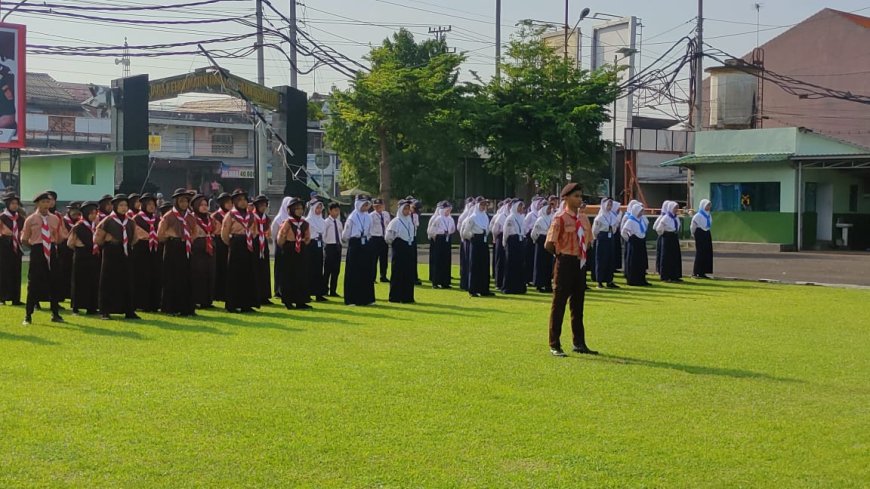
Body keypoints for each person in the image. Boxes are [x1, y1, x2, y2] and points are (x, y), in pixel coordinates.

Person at [545, 183, 597, 357]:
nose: (579, 199)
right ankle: (555, 344)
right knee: (559, 304)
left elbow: (588, 240)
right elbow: (549, 244)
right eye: (576, 196)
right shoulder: (560, 218)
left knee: (578, 305)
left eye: (580, 196)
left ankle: (579, 343)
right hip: (565, 261)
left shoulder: (583, 219)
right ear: (566, 198)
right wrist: (561, 256)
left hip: (579, 262)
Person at [94, 194, 139, 321]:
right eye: (121, 205)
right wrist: (109, 242)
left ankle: (129, 310)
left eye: (125, 205)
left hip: (126, 251)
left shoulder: (130, 221)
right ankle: (105, 311)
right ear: (115, 206)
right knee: (108, 280)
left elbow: (135, 238)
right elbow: (98, 239)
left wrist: (126, 244)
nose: (124, 208)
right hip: (111, 251)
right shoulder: (107, 221)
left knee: (127, 280)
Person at [21, 191, 64, 325]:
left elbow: (59, 236)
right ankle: (28, 315)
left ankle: (55, 313)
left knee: (54, 282)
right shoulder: (31, 219)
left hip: (51, 249)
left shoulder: (55, 218)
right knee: (33, 283)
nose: (46, 204)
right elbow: (24, 238)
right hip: (38, 250)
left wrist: (52, 244)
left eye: (48, 202)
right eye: (43, 202)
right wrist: (36, 247)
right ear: (37, 204)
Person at [157, 188, 196, 317]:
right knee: (171, 277)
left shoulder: (190, 216)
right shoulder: (169, 216)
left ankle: (186, 308)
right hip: (172, 247)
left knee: (185, 277)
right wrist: (171, 237)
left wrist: (188, 239)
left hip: (185, 247)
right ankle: (170, 307)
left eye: (186, 201)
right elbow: (160, 234)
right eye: (181, 201)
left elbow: (195, 231)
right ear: (176, 202)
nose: (184, 204)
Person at [221, 189, 259, 313]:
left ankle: (247, 304)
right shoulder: (230, 215)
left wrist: (248, 239)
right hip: (236, 244)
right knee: (234, 274)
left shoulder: (251, 215)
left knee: (248, 273)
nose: (242, 202)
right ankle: (233, 304)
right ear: (234, 202)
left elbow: (255, 231)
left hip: (248, 244)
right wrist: (233, 242)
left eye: (244, 199)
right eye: (239, 200)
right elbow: (224, 234)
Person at [277, 198, 312, 310]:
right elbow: (281, 237)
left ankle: (301, 300)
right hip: (289, 249)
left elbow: (308, 237)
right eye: (297, 209)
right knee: (288, 275)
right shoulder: (287, 222)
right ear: (291, 210)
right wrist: (287, 245)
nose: (299, 211)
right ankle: (288, 300)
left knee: (301, 275)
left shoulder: (305, 223)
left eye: (301, 208)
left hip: (301, 250)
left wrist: (303, 242)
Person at [68, 201, 100, 315]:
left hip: (93, 255)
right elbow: (70, 243)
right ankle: (76, 307)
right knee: (79, 281)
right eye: (91, 213)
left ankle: (91, 307)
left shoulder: (96, 226)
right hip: (81, 255)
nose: (94, 216)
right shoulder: (78, 226)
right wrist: (80, 247)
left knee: (93, 281)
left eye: (95, 213)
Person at [342, 196, 375, 306]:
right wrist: (346, 240)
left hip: (365, 243)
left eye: (366, 205)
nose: (365, 207)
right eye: (363, 204)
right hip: (355, 243)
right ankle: (351, 299)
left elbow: (370, 230)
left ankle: (366, 298)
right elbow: (346, 233)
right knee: (353, 271)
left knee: (366, 271)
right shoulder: (352, 217)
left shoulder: (368, 217)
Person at [131, 193, 162, 312]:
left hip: (155, 251)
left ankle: (154, 303)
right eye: (148, 204)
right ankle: (141, 303)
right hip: (141, 250)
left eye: (153, 204)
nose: (151, 206)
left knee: (155, 276)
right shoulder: (136, 219)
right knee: (141, 276)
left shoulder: (157, 219)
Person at [459, 197, 494, 298]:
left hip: (484, 241)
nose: (483, 207)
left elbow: (487, 228)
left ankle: (484, 289)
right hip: (475, 242)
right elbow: (465, 232)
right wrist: (472, 236)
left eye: (485, 205)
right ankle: (473, 289)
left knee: (484, 265)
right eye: (482, 205)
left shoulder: (485, 216)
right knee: (474, 265)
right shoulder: (472, 217)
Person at [385, 199, 416, 303]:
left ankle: (407, 297)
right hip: (399, 248)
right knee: (397, 272)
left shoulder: (410, 221)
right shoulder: (395, 222)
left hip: (409, 246)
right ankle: (395, 297)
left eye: (408, 209)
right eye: (405, 209)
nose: (407, 211)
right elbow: (388, 237)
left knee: (409, 272)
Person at [191, 194, 217, 309]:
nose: (204, 207)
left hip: (209, 247)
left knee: (210, 273)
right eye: (201, 205)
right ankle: (197, 299)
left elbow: (215, 229)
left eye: (206, 205)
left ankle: (208, 300)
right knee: (198, 274)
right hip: (197, 247)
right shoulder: (192, 218)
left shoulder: (210, 218)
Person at [0, 193, 24, 306]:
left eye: (16, 203)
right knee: (4, 273)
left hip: (17, 249)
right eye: (12, 203)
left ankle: (16, 298)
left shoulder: (20, 219)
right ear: (7, 204)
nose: (15, 205)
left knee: (16, 273)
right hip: (4, 249)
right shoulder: (2, 218)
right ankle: (2, 297)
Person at [501, 199, 528, 294]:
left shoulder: (521, 217)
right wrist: (504, 242)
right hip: (512, 241)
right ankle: (509, 287)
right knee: (511, 264)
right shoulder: (510, 218)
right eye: (519, 206)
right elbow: (506, 232)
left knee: (520, 264)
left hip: (520, 241)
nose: (521, 208)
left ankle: (519, 287)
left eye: (521, 206)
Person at [622, 203, 651, 287]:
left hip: (641, 242)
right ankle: (633, 280)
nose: (641, 213)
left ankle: (641, 279)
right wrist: (629, 239)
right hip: (634, 242)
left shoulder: (641, 220)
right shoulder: (630, 221)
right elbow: (623, 232)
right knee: (634, 261)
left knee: (641, 261)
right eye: (640, 211)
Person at [531, 196, 557, 293]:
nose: (549, 210)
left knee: (548, 264)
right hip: (541, 241)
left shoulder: (551, 219)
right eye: (548, 209)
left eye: (550, 209)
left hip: (548, 240)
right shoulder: (540, 220)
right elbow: (534, 233)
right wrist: (536, 241)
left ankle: (547, 284)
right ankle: (539, 284)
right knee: (540, 263)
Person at [592, 198, 619, 289]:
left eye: (611, 205)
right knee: (601, 259)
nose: (609, 207)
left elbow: (615, 226)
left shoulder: (612, 216)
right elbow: (595, 231)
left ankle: (609, 280)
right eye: (608, 205)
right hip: (602, 238)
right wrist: (598, 238)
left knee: (610, 259)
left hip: (610, 237)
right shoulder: (599, 217)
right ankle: (599, 281)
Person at [427, 201, 455, 289]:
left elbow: (453, 229)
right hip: (439, 239)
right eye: (447, 210)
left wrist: (448, 233)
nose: (448, 212)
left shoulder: (450, 219)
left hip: (447, 238)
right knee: (437, 260)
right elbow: (431, 231)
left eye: (449, 210)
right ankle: (436, 282)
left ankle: (445, 282)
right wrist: (436, 236)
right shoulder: (438, 219)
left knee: (446, 260)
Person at [210, 192, 232, 302]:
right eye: (227, 203)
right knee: (219, 267)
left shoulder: (233, 215)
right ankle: (218, 293)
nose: (230, 205)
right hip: (218, 242)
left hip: (230, 241)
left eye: (231, 202)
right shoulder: (215, 216)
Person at [654, 200, 683, 283]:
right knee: (666, 257)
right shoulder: (666, 217)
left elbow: (678, 226)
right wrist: (664, 234)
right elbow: (658, 228)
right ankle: (665, 276)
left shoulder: (676, 217)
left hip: (674, 236)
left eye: (677, 208)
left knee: (675, 256)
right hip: (667, 237)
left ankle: (674, 275)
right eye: (675, 208)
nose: (676, 210)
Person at [305, 199, 328, 302]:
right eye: (317, 208)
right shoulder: (308, 220)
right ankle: (308, 292)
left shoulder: (322, 221)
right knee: (309, 269)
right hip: (310, 244)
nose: (319, 210)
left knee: (319, 269)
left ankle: (319, 293)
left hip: (319, 245)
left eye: (320, 208)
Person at [270, 196, 293, 298]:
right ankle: (278, 290)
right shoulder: (278, 219)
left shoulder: (293, 219)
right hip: (280, 245)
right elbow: (273, 233)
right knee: (280, 268)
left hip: (291, 246)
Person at [251, 195, 272, 305]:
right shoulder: (251, 216)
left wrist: (267, 235)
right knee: (255, 269)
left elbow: (268, 231)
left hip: (263, 244)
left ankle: (265, 295)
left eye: (265, 205)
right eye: (261, 205)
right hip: (254, 243)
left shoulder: (266, 218)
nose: (263, 207)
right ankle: (256, 295)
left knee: (265, 270)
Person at [57, 201, 80, 301]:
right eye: (73, 210)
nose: (76, 213)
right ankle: (62, 295)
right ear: (69, 210)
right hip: (64, 252)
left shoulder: (80, 222)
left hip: (76, 252)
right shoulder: (63, 221)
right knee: (63, 274)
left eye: (78, 211)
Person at [323, 202, 343, 298]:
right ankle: (324, 289)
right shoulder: (326, 222)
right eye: (335, 210)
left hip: (337, 246)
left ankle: (333, 290)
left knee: (336, 270)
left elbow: (341, 234)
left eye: (338, 210)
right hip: (329, 246)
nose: (337, 212)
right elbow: (324, 235)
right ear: (330, 211)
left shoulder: (339, 222)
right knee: (327, 270)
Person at [368, 198, 391, 283]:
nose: (378, 208)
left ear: (383, 206)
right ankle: (372, 277)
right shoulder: (371, 216)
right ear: (374, 207)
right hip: (375, 238)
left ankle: (383, 276)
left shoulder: (386, 214)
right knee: (373, 259)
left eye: (380, 206)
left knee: (384, 259)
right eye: (376, 206)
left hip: (383, 238)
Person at [490, 199, 510, 291]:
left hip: (508, 238)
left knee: (506, 261)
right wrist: (495, 238)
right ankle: (498, 282)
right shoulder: (501, 216)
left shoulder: (511, 215)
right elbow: (494, 229)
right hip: (500, 236)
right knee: (500, 260)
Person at [691, 199, 713, 279]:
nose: (709, 207)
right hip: (699, 233)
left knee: (707, 252)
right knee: (700, 252)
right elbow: (693, 226)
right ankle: (696, 272)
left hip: (706, 232)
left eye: (709, 205)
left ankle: (703, 272)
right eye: (707, 205)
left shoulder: (708, 215)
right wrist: (693, 233)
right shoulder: (698, 215)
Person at [523, 197, 543, 285]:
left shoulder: (541, 214)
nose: (539, 206)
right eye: (538, 204)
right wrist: (529, 231)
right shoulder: (530, 214)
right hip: (530, 237)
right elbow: (524, 226)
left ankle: (533, 278)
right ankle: (527, 278)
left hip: (537, 237)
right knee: (529, 258)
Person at [456, 197, 474, 291]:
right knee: (465, 261)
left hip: (472, 240)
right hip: (465, 240)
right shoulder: (463, 216)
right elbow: (459, 228)